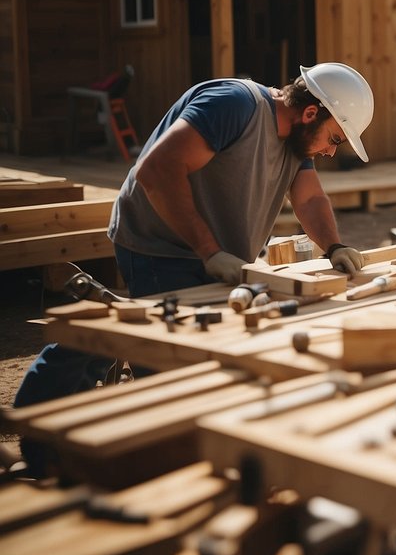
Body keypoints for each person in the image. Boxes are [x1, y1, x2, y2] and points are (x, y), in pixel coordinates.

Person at [14, 63, 375, 441]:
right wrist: (209, 251)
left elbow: (310, 197)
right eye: (334, 139)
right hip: (159, 247)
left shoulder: (295, 140)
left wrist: (334, 245)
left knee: (149, 336)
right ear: (311, 113)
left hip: (216, 257)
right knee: (173, 367)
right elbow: (157, 170)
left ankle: (72, 388)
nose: (332, 152)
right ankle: (46, 432)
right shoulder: (234, 105)